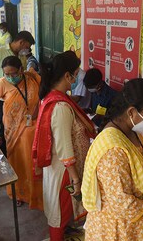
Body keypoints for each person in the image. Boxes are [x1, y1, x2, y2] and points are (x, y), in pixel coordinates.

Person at [81, 78, 143, 240]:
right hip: (118, 230)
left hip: (136, 228)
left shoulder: (135, 133)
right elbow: (123, 206)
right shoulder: (113, 151)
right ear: (131, 112)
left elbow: (142, 168)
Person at [32, 51, 96, 240]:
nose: (78, 78)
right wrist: (75, 178)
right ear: (68, 76)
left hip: (60, 168)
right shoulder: (60, 107)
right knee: (60, 211)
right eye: (77, 73)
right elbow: (64, 146)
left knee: (61, 208)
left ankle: (65, 233)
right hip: (65, 172)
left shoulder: (52, 97)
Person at [0, 56, 42, 208]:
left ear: (21, 70)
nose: (10, 77)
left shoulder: (32, 78)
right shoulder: (2, 83)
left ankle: (35, 194)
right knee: (18, 163)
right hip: (13, 133)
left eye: (13, 74)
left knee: (33, 163)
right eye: (6, 74)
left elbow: (45, 93)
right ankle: (18, 193)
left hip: (34, 130)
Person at [0, 31, 35, 156]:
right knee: (4, 134)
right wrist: (4, 87)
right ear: (21, 42)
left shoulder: (22, 58)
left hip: (26, 114)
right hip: (5, 100)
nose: (27, 50)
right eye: (27, 47)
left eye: (14, 74)